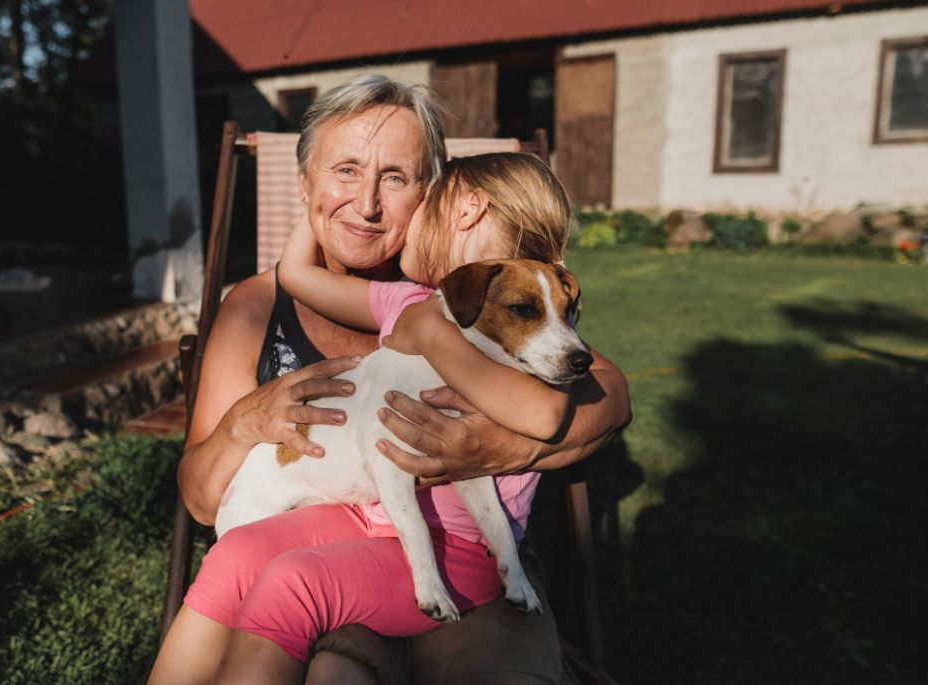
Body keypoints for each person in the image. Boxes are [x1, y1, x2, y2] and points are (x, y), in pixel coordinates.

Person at [150, 75, 631, 684]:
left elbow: (609, 395)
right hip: (324, 539)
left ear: (429, 196)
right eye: (344, 171)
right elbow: (198, 499)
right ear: (305, 186)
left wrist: (496, 448)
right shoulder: (255, 308)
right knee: (319, 651)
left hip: (458, 553)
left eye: (396, 177)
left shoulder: (476, 298)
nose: (368, 202)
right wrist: (242, 424)